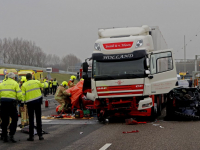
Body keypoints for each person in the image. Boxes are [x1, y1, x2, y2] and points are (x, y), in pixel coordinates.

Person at [0, 72, 23, 142]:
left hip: (3, 103)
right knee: (15, 118)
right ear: (13, 77)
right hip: (11, 104)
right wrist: (21, 101)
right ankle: (11, 134)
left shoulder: (2, 84)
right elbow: (19, 94)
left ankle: (4, 136)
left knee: (4, 120)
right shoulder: (15, 83)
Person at [21, 73, 44, 141]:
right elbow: (43, 85)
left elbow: (23, 95)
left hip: (30, 103)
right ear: (31, 77)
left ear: (26, 78)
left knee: (31, 120)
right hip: (38, 102)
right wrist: (46, 82)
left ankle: (31, 136)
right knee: (38, 119)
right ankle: (40, 135)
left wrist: (22, 104)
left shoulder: (24, 85)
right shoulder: (36, 81)